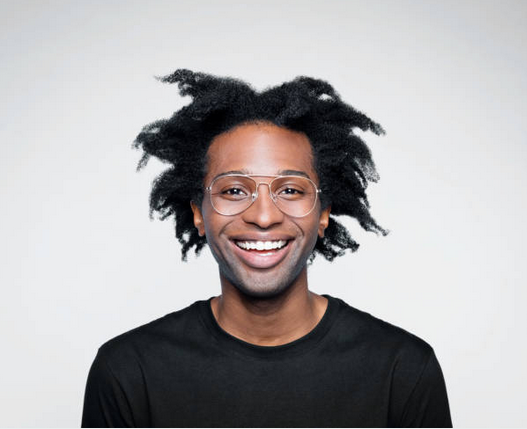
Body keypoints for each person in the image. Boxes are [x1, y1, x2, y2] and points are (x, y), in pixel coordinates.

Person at [81, 69, 452, 427]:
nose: (263, 216)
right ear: (198, 213)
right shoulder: (129, 372)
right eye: (234, 190)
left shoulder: (402, 371)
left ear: (323, 214)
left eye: (290, 190)